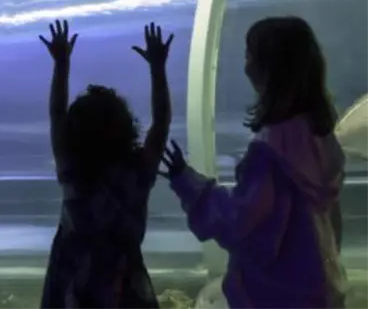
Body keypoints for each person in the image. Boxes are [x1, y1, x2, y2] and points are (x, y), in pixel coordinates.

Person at [161, 16, 346, 309]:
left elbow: (241, 223)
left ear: (269, 68)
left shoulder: (268, 152)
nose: (245, 63)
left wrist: (191, 185)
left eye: (249, 54)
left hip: (276, 294)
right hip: (320, 284)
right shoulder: (320, 135)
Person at [40, 19, 173, 309]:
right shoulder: (137, 171)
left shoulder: (74, 171)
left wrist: (61, 64)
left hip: (72, 282)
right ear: (125, 126)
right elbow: (161, 122)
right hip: (124, 284)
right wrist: (158, 68)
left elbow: (56, 114)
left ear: (74, 132)